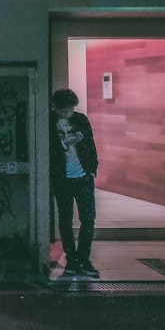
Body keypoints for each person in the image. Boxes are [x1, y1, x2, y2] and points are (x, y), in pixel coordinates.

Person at [49, 88, 100, 278]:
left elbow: (90, 145)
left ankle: (84, 259)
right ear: (55, 107)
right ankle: (72, 259)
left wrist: (92, 169)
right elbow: (48, 149)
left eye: (70, 109)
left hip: (83, 177)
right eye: (63, 110)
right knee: (65, 219)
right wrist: (64, 143)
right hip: (62, 178)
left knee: (88, 219)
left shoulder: (81, 120)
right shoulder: (49, 122)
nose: (67, 112)